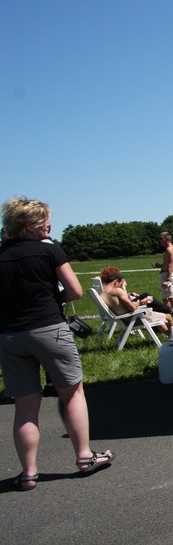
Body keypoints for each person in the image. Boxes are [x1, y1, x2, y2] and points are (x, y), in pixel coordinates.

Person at [0, 197, 114, 491]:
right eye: (44, 221)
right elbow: (75, 291)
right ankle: (84, 457)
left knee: (25, 407)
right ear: (29, 225)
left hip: (10, 335)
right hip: (49, 328)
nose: (48, 225)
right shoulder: (49, 251)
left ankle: (28, 473)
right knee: (72, 394)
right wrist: (53, 299)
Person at [99, 267, 173, 334]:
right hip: (134, 320)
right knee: (168, 317)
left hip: (124, 320)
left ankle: (171, 336)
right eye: (120, 284)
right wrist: (141, 302)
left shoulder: (103, 293)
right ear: (116, 281)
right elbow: (132, 308)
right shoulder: (117, 291)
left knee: (159, 320)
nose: (120, 286)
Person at [158, 231, 173, 311]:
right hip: (169, 273)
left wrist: (168, 279)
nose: (159, 240)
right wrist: (160, 265)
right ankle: (172, 314)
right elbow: (169, 264)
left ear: (166, 239)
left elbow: (171, 264)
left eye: (161, 238)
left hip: (167, 274)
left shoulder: (169, 249)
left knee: (169, 297)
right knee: (167, 297)